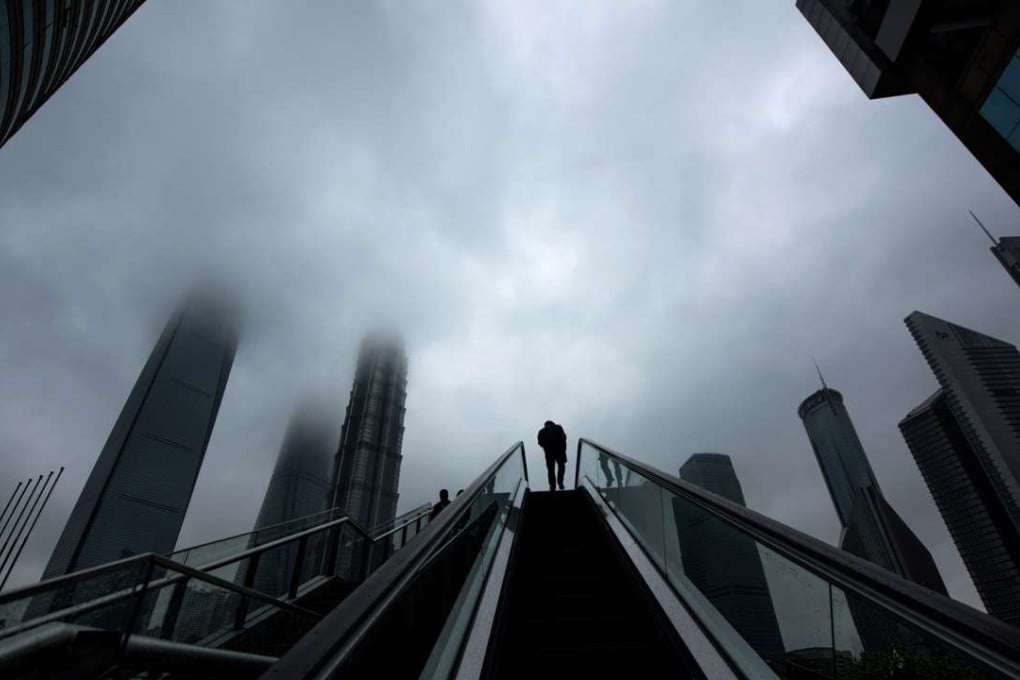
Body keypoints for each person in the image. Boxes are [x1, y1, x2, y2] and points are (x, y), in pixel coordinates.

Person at [537, 420, 567, 491]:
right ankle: (560, 482)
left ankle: (552, 486)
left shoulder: (542, 431)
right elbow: (564, 437)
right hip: (560, 451)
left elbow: (540, 442)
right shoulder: (558, 427)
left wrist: (547, 446)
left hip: (549, 453)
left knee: (551, 470)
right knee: (561, 467)